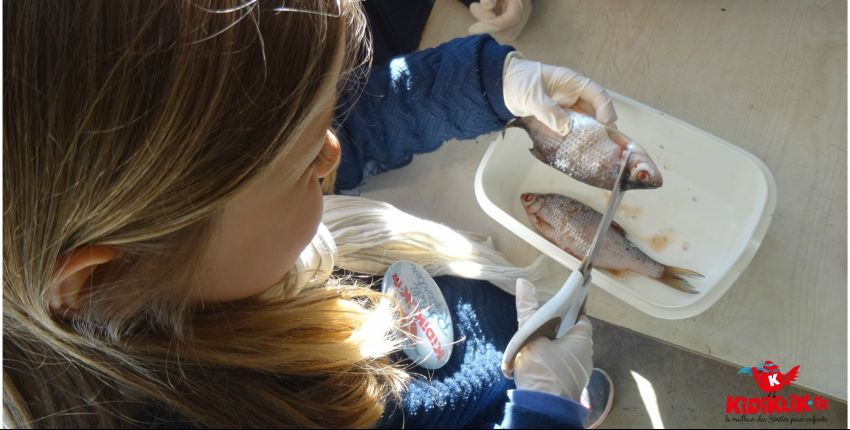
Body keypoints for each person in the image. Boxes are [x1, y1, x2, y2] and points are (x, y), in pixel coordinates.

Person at [3, 1, 616, 428]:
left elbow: (349, 125)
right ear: (108, 278)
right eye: (301, 166)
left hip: (463, 329)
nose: (333, 151)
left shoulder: (189, 235)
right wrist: (541, 412)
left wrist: (489, 83)